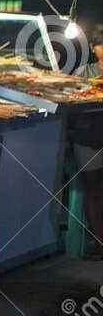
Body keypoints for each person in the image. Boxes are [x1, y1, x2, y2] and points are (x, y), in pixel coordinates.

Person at [72, 23, 103, 259]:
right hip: (87, 136)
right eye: (101, 44)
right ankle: (101, 243)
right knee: (92, 191)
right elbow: (70, 95)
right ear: (93, 48)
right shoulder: (84, 72)